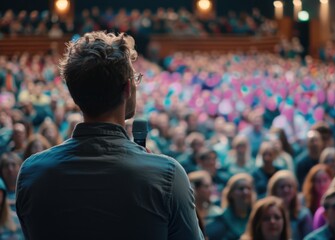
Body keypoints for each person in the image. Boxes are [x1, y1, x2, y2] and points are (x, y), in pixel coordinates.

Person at [16, 31, 204, 240]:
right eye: (135, 78)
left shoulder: (32, 173)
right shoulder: (168, 175)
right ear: (127, 88)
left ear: (73, 92)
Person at [206, 173, 256, 240]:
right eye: (241, 188)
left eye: (249, 188)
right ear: (231, 194)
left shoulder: (256, 217)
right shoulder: (220, 221)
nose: (245, 192)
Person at [267, 170, 313, 240]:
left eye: (289, 186)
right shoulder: (266, 214)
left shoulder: (303, 215)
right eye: (282, 187)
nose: (286, 190)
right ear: (274, 190)